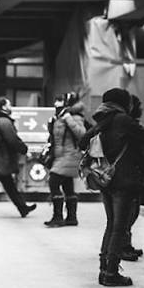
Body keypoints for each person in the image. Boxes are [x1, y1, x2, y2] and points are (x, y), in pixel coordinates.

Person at [79, 88, 144, 287]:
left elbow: (82, 141)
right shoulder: (122, 120)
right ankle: (111, 272)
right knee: (120, 227)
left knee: (112, 224)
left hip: (106, 179)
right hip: (123, 181)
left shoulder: (103, 120)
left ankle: (104, 269)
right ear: (123, 102)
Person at [43, 92, 87, 227]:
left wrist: (68, 119)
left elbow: (82, 134)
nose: (56, 103)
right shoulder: (59, 116)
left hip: (70, 155)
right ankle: (71, 218)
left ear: (67, 103)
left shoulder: (74, 117)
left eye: (59, 100)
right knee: (67, 184)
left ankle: (58, 217)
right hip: (61, 156)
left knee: (54, 181)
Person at [121, 95, 144, 261]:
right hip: (129, 176)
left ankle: (126, 244)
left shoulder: (130, 126)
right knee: (127, 214)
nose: (141, 109)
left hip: (134, 176)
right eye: (138, 106)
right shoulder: (129, 128)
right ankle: (122, 247)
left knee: (132, 212)